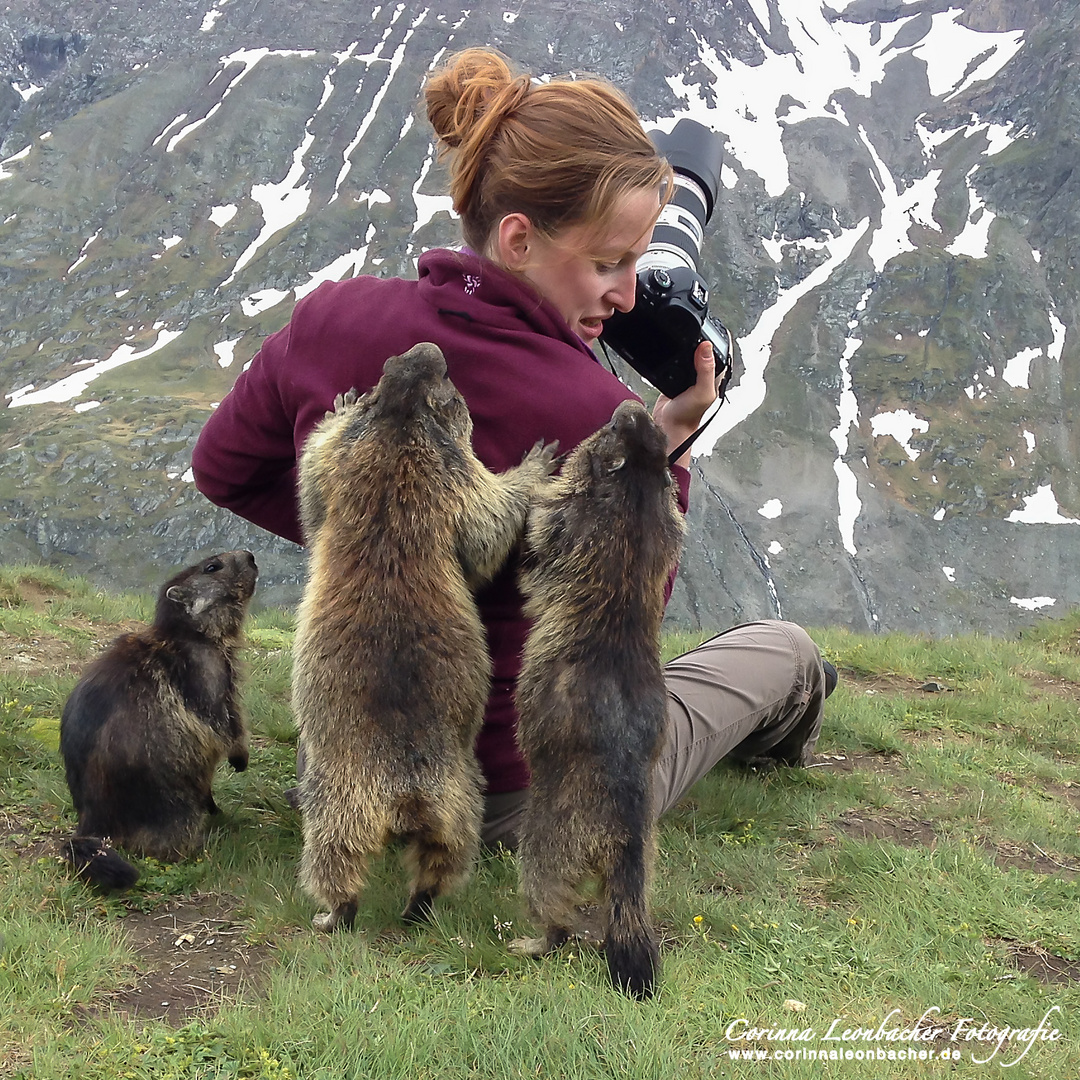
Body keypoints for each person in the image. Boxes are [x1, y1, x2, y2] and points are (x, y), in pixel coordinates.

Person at [191, 47, 835, 850]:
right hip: (516, 803)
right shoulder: (591, 411)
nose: (629, 295)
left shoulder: (331, 318)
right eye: (608, 262)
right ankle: (792, 722)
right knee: (785, 649)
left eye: (636, 263)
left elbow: (221, 466)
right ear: (520, 237)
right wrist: (663, 446)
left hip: (352, 775)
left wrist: (382, 544)